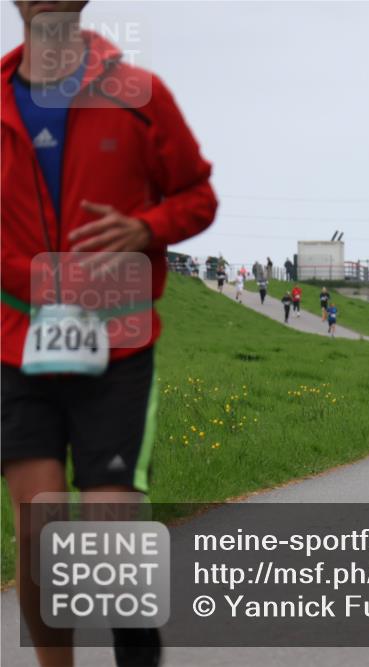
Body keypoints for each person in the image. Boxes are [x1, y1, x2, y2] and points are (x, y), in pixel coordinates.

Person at [1, 4, 217, 666]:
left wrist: (146, 227)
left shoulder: (141, 96)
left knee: (109, 524)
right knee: (40, 531)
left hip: (117, 343)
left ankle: (137, 651)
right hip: (16, 341)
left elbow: (198, 196)